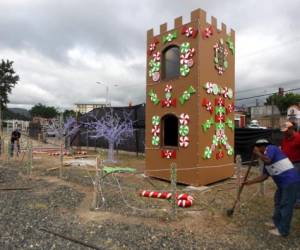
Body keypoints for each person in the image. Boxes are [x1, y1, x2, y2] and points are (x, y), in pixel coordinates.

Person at [244, 139, 300, 237]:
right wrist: (250, 182)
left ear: (262, 146)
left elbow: (268, 159)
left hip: (291, 181)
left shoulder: (271, 148)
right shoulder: (266, 160)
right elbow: (264, 176)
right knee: (278, 201)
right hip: (283, 184)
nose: (255, 150)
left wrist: (257, 153)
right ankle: (276, 222)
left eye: (256, 148)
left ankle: (283, 230)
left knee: (286, 205)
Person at [281, 121, 300, 205]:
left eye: (286, 131)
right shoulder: (285, 138)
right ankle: (291, 198)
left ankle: (298, 201)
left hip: (297, 163)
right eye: (283, 131)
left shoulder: (298, 138)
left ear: (291, 129)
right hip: (287, 163)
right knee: (289, 182)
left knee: (296, 182)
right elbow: (283, 148)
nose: (284, 133)